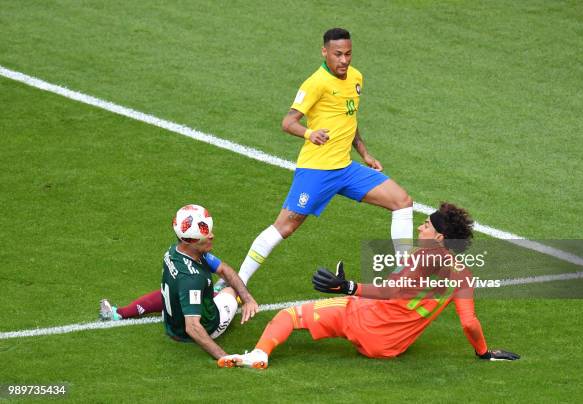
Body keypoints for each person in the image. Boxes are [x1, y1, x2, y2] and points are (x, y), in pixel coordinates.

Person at [216, 27, 414, 290]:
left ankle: (405, 275)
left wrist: (364, 152)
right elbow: (288, 122)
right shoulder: (315, 83)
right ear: (325, 52)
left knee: (402, 201)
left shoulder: (356, 78)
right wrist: (310, 133)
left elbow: (349, 118)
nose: (344, 60)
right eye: (338, 54)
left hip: (345, 169)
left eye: (348, 54)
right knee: (284, 227)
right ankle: (236, 282)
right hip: (317, 171)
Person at [217, 203, 520, 368]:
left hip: (365, 321)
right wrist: (483, 352)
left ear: (440, 237)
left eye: (426, 224)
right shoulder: (463, 274)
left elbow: (390, 292)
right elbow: (469, 323)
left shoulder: (424, 258)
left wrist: (348, 287)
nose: (420, 226)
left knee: (288, 316)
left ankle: (259, 354)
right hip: (390, 348)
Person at [101, 204, 258, 361]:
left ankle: (119, 313)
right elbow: (193, 327)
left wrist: (248, 299)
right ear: (190, 241)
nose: (212, 236)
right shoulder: (192, 279)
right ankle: (217, 292)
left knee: (174, 290)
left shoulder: (174, 251)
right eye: (205, 234)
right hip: (207, 327)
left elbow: (223, 270)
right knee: (230, 290)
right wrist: (224, 357)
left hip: (172, 322)